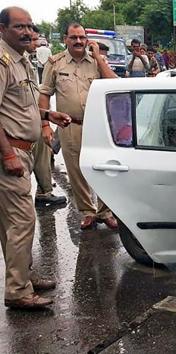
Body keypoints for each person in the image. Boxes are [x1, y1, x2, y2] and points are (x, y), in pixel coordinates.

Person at [0, 6, 72, 309]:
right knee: (22, 221)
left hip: (24, 151)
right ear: (2, 29)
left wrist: (48, 113)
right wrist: (7, 155)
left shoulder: (22, 61)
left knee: (12, 224)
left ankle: (23, 278)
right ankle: (18, 291)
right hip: (11, 152)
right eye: (20, 27)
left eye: (30, 26)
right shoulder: (2, 62)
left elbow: (21, 106)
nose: (28, 32)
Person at [39, 22, 119, 230]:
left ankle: (105, 211)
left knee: (105, 169)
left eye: (82, 37)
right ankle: (87, 212)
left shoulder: (96, 61)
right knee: (75, 171)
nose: (78, 41)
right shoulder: (55, 63)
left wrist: (99, 58)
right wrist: (45, 125)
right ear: (65, 39)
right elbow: (45, 94)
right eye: (73, 37)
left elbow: (114, 84)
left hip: (99, 125)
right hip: (69, 125)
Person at [26, 26, 66, 207]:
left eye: (36, 40)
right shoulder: (7, 62)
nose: (35, 45)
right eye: (32, 40)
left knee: (43, 154)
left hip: (35, 120)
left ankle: (44, 191)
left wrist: (46, 117)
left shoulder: (25, 61)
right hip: (19, 129)